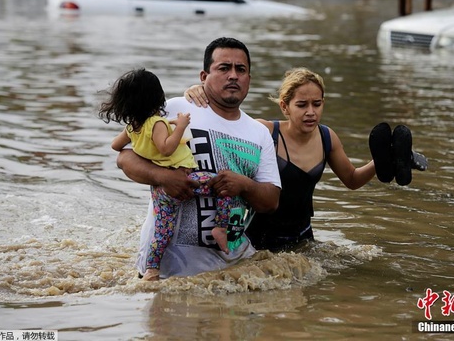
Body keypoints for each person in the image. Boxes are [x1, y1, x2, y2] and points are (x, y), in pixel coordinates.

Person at [185, 67, 427, 252]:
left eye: (317, 104)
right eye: (302, 105)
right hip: (257, 240)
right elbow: (224, 125)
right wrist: (198, 93)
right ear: (285, 106)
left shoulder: (326, 137)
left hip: (302, 239)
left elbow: (352, 179)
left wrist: (381, 160)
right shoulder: (264, 132)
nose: (311, 112)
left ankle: (399, 156)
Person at [115, 38, 282, 279]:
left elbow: (271, 201)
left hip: (230, 270)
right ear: (204, 76)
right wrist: (164, 177)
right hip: (166, 270)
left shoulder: (259, 133)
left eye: (241, 69)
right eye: (224, 68)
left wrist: (243, 184)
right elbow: (124, 158)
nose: (233, 75)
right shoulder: (174, 109)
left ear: (249, 80)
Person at [98, 68, 236, 281]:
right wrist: (180, 127)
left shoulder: (132, 127)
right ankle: (220, 228)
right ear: (157, 97)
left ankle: (152, 270)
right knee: (225, 185)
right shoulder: (157, 123)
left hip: (159, 189)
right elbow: (166, 148)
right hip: (184, 178)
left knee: (162, 231)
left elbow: (116, 145)